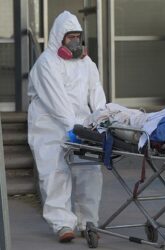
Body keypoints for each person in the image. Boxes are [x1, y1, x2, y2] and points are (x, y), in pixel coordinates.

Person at [27, 11, 106, 243]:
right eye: (69, 36)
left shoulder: (86, 63)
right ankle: (62, 224)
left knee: (89, 171)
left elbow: (97, 93)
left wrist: (101, 120)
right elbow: (56, 102)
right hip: (49, 125)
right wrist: (77, 127)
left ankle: (88, 222)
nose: (74, 42)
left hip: (81, 124)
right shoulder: (47, 63)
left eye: (77, 36)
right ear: (59, 38)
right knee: (54, 174)